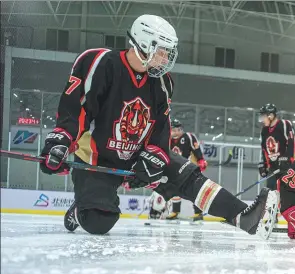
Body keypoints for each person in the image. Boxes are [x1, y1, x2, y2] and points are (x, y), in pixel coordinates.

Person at [38, 14, 278, 238]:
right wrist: (61, 140)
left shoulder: (162, 81)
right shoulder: (101, 63)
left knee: (187, 174)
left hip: (136, 154)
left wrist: (155, 156)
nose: (166, 59)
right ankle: (81, 209)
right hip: (97, 158)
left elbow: (159, 128)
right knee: (99, 222)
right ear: (143, 44)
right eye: (162, 51)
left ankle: (243, 217)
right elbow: (76, 110)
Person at [162, 119, 208, 221]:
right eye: (172, 129)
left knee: (193, 189)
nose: (173, 132)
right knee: (174, 190)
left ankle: (198, 212)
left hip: (187, 168)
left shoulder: (188, 137)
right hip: (173, 169)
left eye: (175, 129)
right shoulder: (167, 139)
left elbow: (196, 149)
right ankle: (175, 212)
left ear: (180, 129)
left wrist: (200, 160)